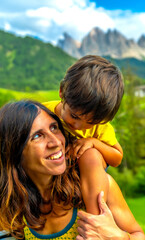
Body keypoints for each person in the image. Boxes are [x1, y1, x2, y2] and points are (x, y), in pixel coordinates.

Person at [0, 100, 145, 240]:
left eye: (54, 128)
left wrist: (120, 238)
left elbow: (139, 236)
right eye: (37, 136)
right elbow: (8, 237)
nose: (56, 142)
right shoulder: (9, 195)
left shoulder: (96, 186)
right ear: (13, 151)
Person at [43, 55, 124, 214]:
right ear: (61, 92)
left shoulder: (100, 127)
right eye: (74, 116)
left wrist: (94, 142)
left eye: (91, 122)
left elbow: (117, 158)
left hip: (85, 176)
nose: (79, 126)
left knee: (91, 155)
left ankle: (95, 219)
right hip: (52, 175)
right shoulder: (43, 114)